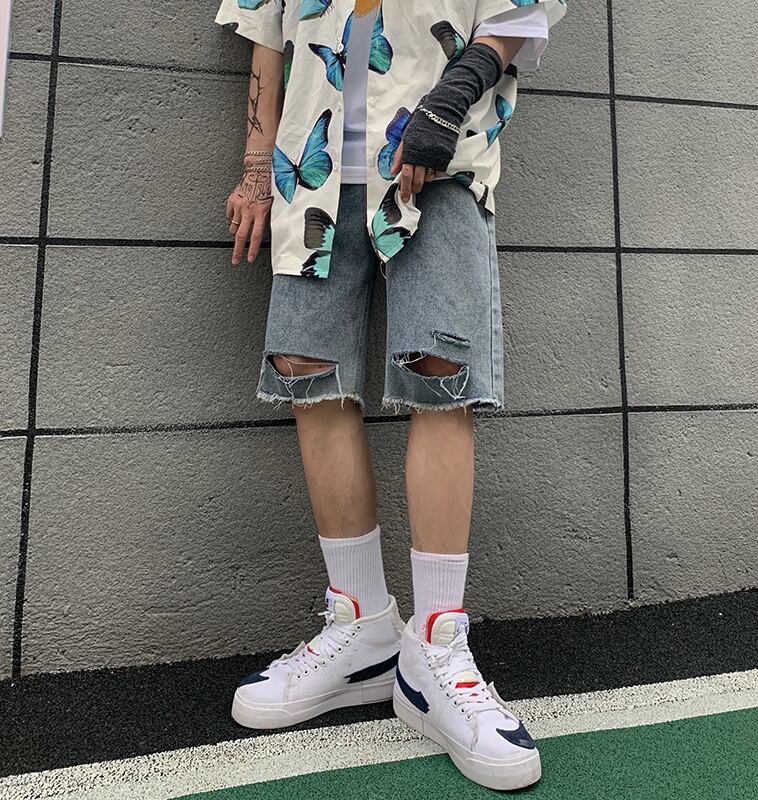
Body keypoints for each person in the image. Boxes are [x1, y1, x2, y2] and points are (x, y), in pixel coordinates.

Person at [214, 0, 567, 790]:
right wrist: (254, 171)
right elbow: (265, 37)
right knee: (307, 371)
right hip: (311, 170)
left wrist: (451, 98)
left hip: (436, 157)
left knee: (440, 373)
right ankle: (363, 626)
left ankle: (436, 646)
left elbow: (519, 12)